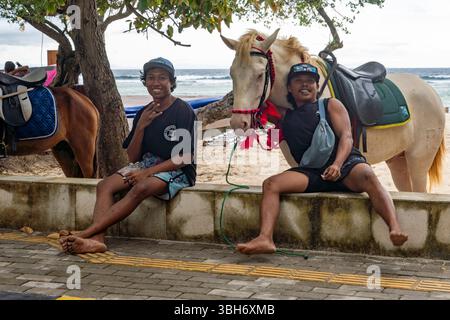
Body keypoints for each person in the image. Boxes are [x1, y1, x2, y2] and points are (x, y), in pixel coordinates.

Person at [236, 63, 408, 255]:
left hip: (346, 166)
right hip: (312, 172)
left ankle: (394, 227)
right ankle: (265, 238)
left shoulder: (330, 104)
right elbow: (252, 99)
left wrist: (337, 164)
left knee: (368, 175)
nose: (305, 85)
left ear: (317, 87)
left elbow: (347, 137)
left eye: (310, 82)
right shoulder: (284, 116)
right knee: (271, 184)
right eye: (298, 81)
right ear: (290, 88)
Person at [59, 57, 197, 254]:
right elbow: (132, 157)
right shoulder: (143, 113)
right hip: (147, 165)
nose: (156, 83)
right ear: (145, 82)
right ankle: (98, 240)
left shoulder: (183, 110)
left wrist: (147, 173)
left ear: (171, 82)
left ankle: (86, 233)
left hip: (177, 169)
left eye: (162, 78)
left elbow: (185, 157)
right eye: (151, 78)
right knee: (104, 185)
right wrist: (140, 127)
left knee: (141, 186)